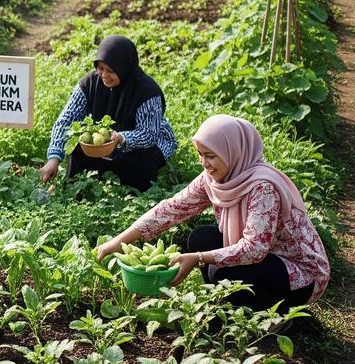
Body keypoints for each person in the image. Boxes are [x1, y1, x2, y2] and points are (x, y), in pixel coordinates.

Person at [97, 115, 329, 311]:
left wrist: (198, 258)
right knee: (200, 238)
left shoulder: (262, 187)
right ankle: (232, 303)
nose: (204, 163)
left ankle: (278, 315)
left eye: (210, 155)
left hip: (297, 273)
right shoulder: (215, 178)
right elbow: (170, 209)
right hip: (264, 259)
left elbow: (255, 249)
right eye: (200, 154)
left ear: (232, 151)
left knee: (224, 276)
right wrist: (117, 242)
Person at [39, 35, 177, 192]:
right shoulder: (90, 83)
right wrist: (54, 159)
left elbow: (149, 134)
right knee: (78, 146)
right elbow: (66, 120)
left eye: (111, 71)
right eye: (100, 68)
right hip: (108, 141)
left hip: (144, 142)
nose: (104, 75)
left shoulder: (146, 91)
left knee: (139, 162)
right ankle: (78, 188)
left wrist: (121, 138)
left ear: (125, 68)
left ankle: (136, 192)